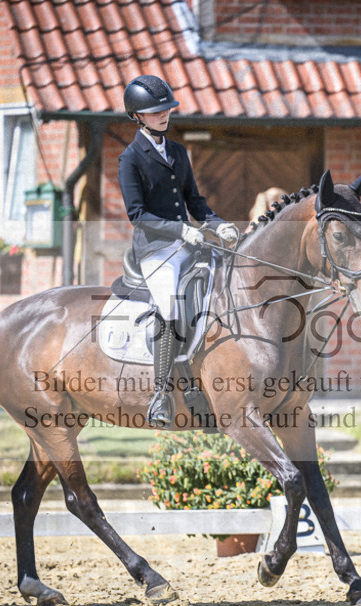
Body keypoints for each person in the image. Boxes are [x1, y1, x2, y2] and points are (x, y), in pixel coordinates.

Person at [118, 75, 237, 427]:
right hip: (156, 251)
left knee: (223, 286)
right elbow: (137, 215)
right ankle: (160, 394)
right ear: (137, 116)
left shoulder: (178, 151)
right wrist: (181, 229)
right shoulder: (130, 159)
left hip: (189, 244)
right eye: (155, 112)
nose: (164, 115)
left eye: (167, 109)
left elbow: (194, 201)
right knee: (170, 304)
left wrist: (216, 224)